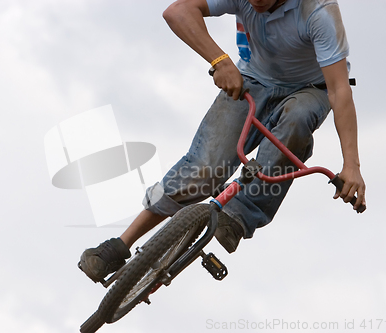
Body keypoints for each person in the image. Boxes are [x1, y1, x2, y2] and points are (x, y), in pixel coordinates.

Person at [78, 0, 367, 283]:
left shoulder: (318, 11)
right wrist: (220, 61)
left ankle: (239, 215)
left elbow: (339, 90)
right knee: (204, 170)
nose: (256, 3)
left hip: (309, 88)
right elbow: (177, 11)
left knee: (297, 120)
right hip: (253, 78)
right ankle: (119, 245)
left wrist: (351, 165)